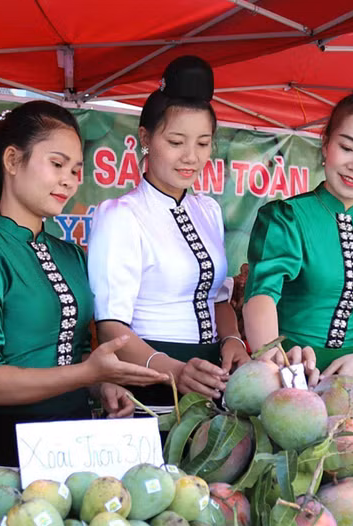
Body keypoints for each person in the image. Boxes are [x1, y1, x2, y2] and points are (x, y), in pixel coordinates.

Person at [0, 101, 167, 495]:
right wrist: (89, 375)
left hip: (72, 457)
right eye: (57, 164)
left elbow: (76, 353)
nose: (70, 181)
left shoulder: (72, 255)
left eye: (77, 170)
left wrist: (101, 387)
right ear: (12, 160)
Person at [88, 56, 249, 413]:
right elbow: (112, 327)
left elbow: (218, 298)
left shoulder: (208, 210)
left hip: (210, 380)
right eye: (176, 141)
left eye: (203, 143)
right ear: (145, 138)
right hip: (149, 383)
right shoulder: (121, 215)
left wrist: (233, 339)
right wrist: (175, 371)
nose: (190, 157)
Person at [243, 86, 353, 385]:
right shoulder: (287, 218)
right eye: (347, 148)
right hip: (284, 380)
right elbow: (260, 297)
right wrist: (281, 370)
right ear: (325, 144)